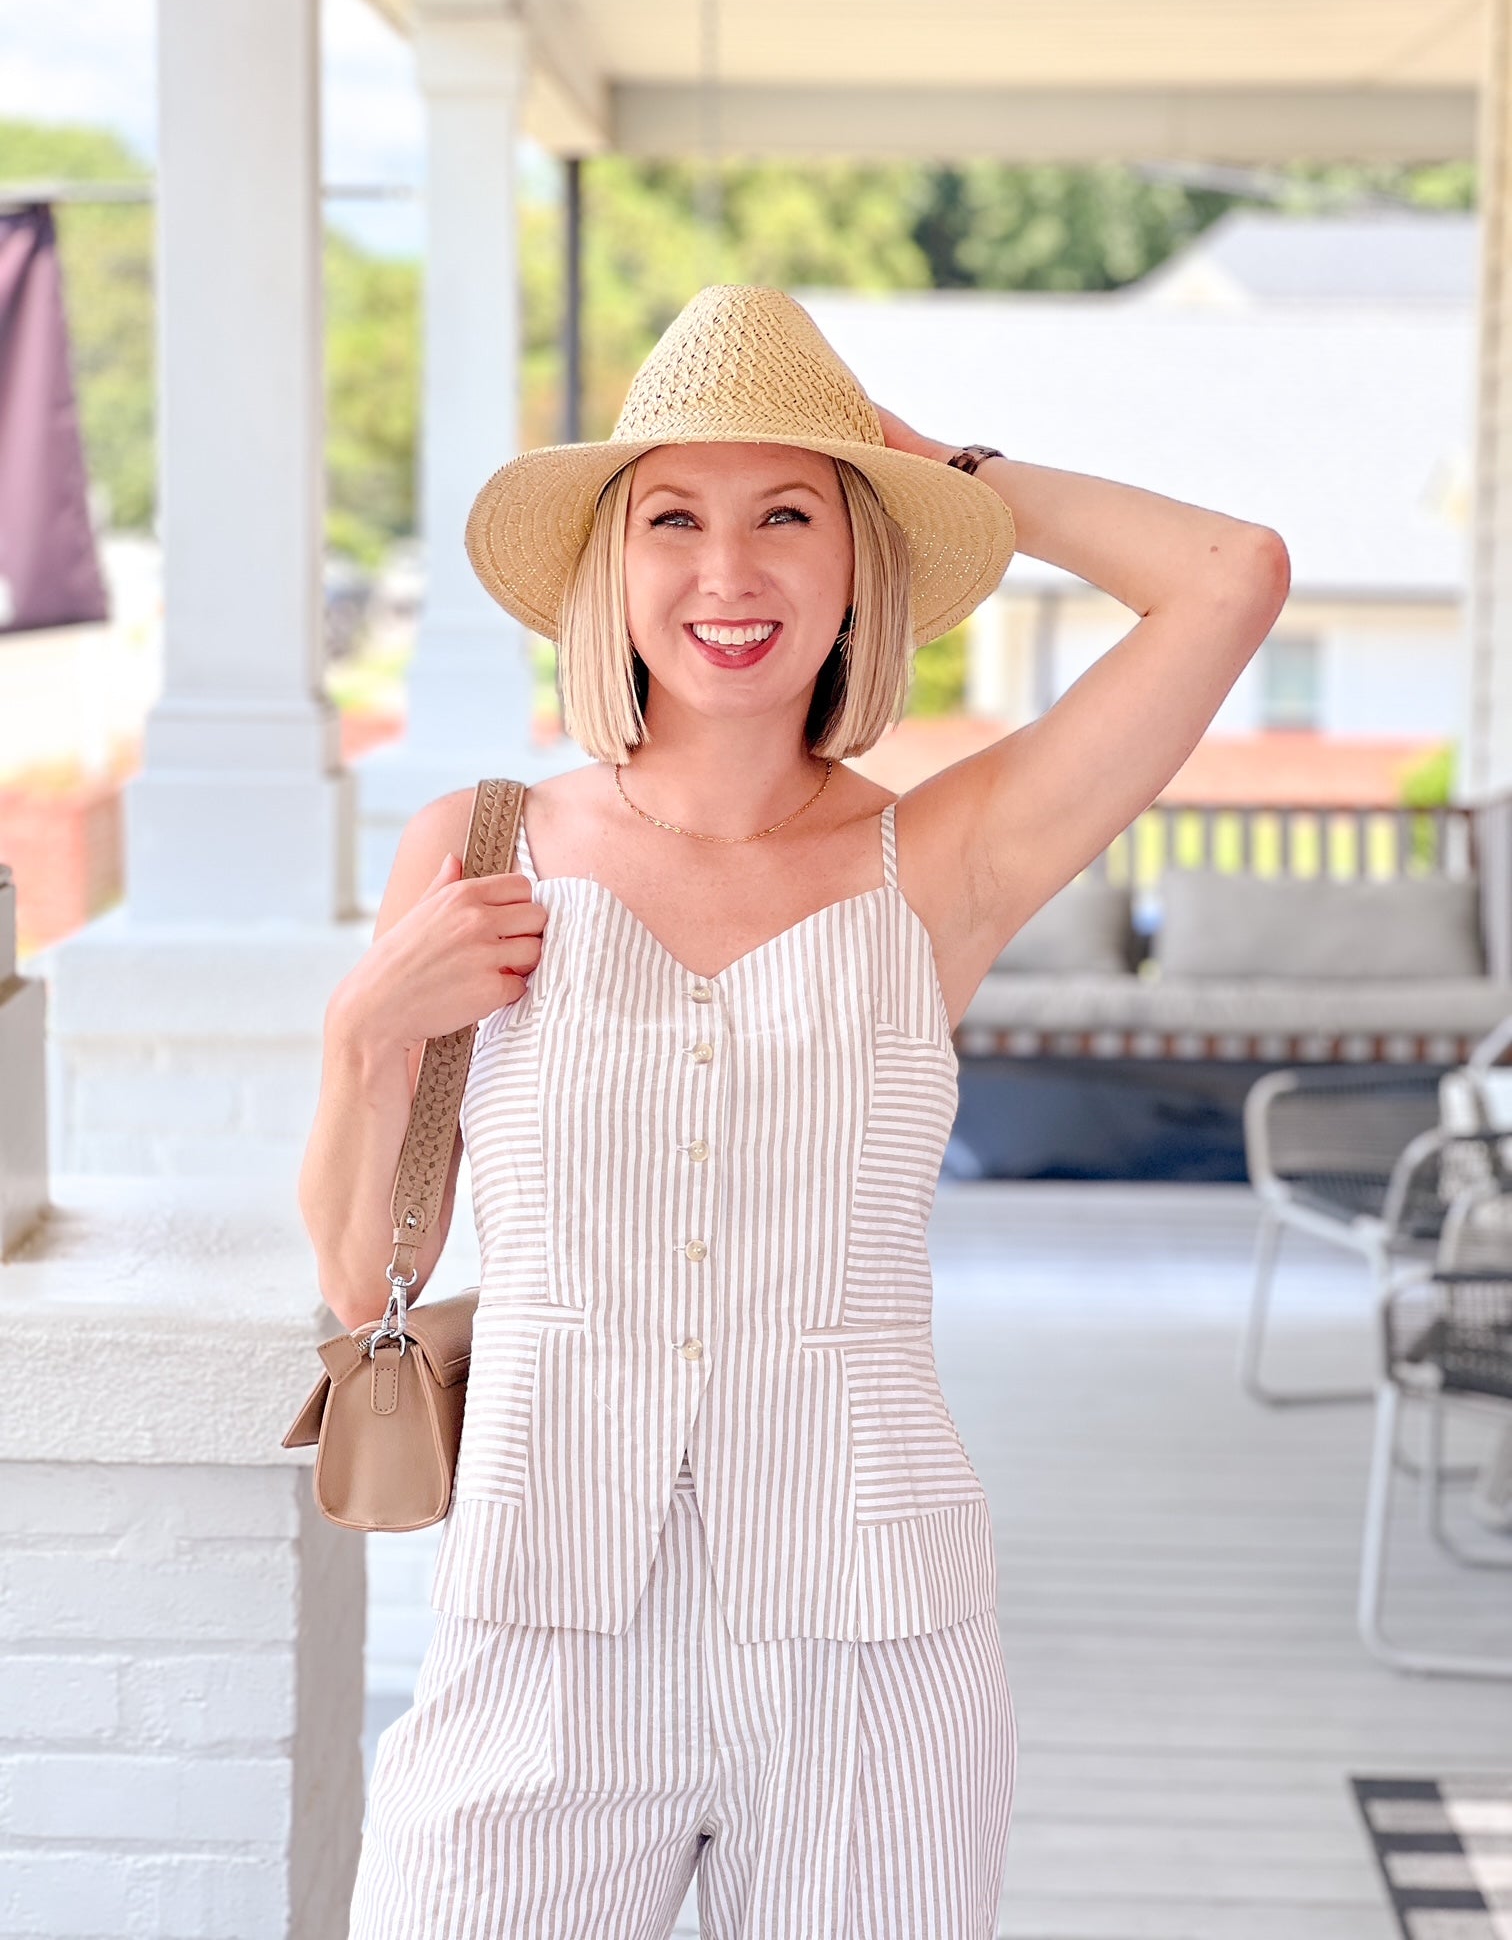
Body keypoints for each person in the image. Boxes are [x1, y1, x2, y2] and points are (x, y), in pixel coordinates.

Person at [299, 282, 1290, 1939]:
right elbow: (356, 1290)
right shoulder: (479, 848)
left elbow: (1229, 579)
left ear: (858, 565)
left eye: (789, 516)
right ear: (610, 568)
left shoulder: (944, 861)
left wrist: (954, 471)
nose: (728, 573)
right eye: (673, 519)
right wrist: (361, 1031)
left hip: (870, 1644)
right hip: (540, 1627)